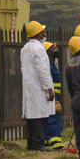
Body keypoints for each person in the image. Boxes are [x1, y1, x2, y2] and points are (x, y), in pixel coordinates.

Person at [20, 20, 55, 151]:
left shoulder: (25, 48)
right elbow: (43, 71)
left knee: (31, 116)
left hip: (29, 87)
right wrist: (49, 89)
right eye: (42, 31)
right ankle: (39, 143)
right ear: (37, 34)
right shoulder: (39, 48)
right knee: (40, 117)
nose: (44, 33)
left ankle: (32, 143)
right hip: (40, 88)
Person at [43, 42, 64, 150]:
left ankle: (48, 141)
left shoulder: (51, 64)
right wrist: (55, 100)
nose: (55, 49)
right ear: (47, 52)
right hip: (52, 98)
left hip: (54, 97)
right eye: (52, 48)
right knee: (53, 118)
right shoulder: (48, 65)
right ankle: (55, 142)